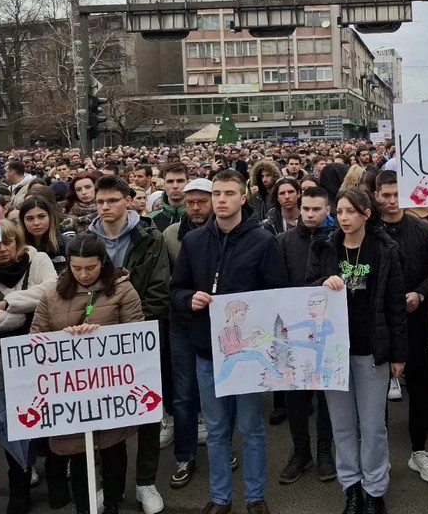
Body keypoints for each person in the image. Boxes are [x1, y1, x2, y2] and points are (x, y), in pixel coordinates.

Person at [171, 169, 287, 514]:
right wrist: (188, 299)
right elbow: (175, 290)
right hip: (208, 352)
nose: (220, 200)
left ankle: (255, 496)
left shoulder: (263, 242)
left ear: (243, 197)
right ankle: (220, 497)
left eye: (228, 193)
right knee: (218, 430)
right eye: (216, 193)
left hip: (249, 355)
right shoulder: (193, 242)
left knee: (251, 427)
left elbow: (277, 295)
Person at [307, 188, 407, 514]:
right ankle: (351, 487)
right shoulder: (324, 246)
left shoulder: (384, 250)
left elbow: (395, 305)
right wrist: (323, 282)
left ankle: (375, 490)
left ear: (366, 213)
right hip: (333, 352)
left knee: (373, 425)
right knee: (342, 424)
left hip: (371, 351)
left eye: (351, 211)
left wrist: (398, 354)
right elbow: (305, 289)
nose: (344, 218)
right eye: (340, 211)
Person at [31, 234, 145, 514]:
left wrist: (102, 334)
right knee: (77, 452)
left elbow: (136, 334)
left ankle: (113, 503)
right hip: (69, 391)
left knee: (113, 449)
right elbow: (36, 338)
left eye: (90, 268)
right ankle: (84, 506)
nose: (83, 274)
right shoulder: (51, 294)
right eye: (76, 268)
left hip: (111, 388)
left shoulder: (123, 290)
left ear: (103, 263)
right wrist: (62, 339)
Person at [87, 176, 171, 514]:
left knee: (147, 409)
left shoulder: (150, 238)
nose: (105, 207)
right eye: (100, 202)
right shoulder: (85, 240)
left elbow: (159, 288)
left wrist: (131, 329)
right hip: (96, 338)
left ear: (128, 201)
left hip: (140, 337)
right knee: (105, 414)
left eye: (112, 200)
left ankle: (146, 482)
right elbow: (81, 291)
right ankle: (108, 484)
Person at [0, 220, 59, 513]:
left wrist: (8, 305)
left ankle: (56, 477)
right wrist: (31, 310)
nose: (2, 249)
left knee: (50, 415)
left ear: (17, 241)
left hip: (42, 358)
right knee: (15, 423)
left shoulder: (38, 259)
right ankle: (19, 480)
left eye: (7, 242)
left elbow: (52, 290)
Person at [372, 170, 428, 483]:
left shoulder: (421, 228)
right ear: (375, 195)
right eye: (385, 195)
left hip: (414, 322)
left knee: (419, 387)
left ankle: (419, 451)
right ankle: (379, 458)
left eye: (396, 195)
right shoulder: (368, 231)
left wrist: (420, 293)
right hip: (378, 325)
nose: (391, 201)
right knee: (375, 396)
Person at [276, 186, 337, 485]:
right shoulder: (283, 242)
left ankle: (325, 450)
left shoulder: (338, 240)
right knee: (295, 396)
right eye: (306, 209)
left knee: (326, 394)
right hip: (293, 331)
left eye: (317, 209)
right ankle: (301, 451)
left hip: (327, 331)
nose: (311, 214)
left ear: (328, 210)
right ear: (299, 209)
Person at [163, 178, 214, 490]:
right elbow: (169, 282)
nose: (195, 208)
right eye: (190, 202)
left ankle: (221, 447)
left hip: (217, 322)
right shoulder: (170, 234)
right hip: (182, 322)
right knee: (183, 394)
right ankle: (185, 454)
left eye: (201, 202)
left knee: (218, 391)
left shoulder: (225, 233)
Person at [19, 196, 71, 275]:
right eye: (30, 218)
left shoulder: (67, 244)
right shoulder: (17, 248)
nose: (36, 223)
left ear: (50, 217)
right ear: (23, 221)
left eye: (42, 216)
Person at [147, 163, 190, 231]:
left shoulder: (199, 217)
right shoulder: (149, 220)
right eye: (170, 181)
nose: (175, 186)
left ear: (188, 183)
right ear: (164, 185)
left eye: (180, 181)